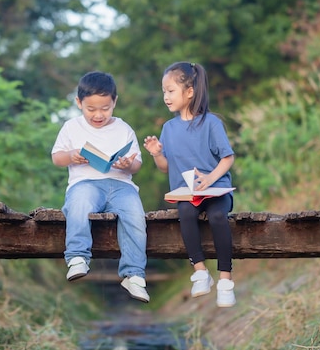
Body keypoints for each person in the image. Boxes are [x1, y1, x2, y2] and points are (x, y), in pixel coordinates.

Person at [143, 61, 236, 308]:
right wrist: (156, 153)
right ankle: (200, 272)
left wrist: (210, 179)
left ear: (190, 91)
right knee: (185, 212)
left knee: (217, 217)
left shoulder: (211, 123)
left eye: (170, 90)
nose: (166, 96)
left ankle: (225, 280)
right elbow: (165, 167)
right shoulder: (169, 128)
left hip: (216, 191)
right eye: (163, 91)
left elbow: (228, 158)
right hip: (188, 195)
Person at [51, 71, 149, 303]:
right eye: (91, 109)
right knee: (79, 203)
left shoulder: (123, 128)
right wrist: (72, 155)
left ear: (114, 101)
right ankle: (77, 257)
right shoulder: (71, 127)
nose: (98, 115)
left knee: (135, 216)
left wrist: (127, 164)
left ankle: (134, 274)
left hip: (121, 185)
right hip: (85, 183)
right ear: (79, 103)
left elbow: (136, 165)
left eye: (105, 108)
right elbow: (57, 158)